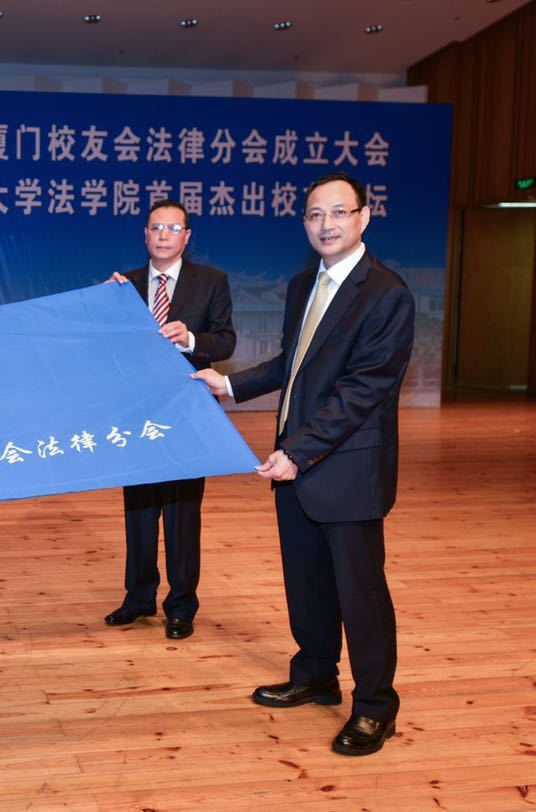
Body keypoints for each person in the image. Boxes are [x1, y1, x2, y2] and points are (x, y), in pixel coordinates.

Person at [193, 172, 415, 757]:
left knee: (361, 593)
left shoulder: (386, 293)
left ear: (364, 217)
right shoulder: (302, 285)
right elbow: (293, 362)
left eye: (339, 212)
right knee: (307, 581)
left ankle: (375, 706)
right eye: (315, 214)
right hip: (297, 459)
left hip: (346, 467)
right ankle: (316, 674)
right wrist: (230, 385)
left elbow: (363, 390)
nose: (326, 224)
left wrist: (298, 451)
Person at [104, 199, 236, 640]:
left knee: (182, 514)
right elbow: (106, 345)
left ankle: (181, 606)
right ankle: (138, 598)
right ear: (144, 234)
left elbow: (226, 341)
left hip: (187, 413)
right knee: (139, 511)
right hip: (137, 413)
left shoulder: (211, 281)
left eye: (173, 228)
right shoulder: (123, 285)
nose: (163, 235)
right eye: (156, 227)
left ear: (187, 236)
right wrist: (104, 307)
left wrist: (192, 339)